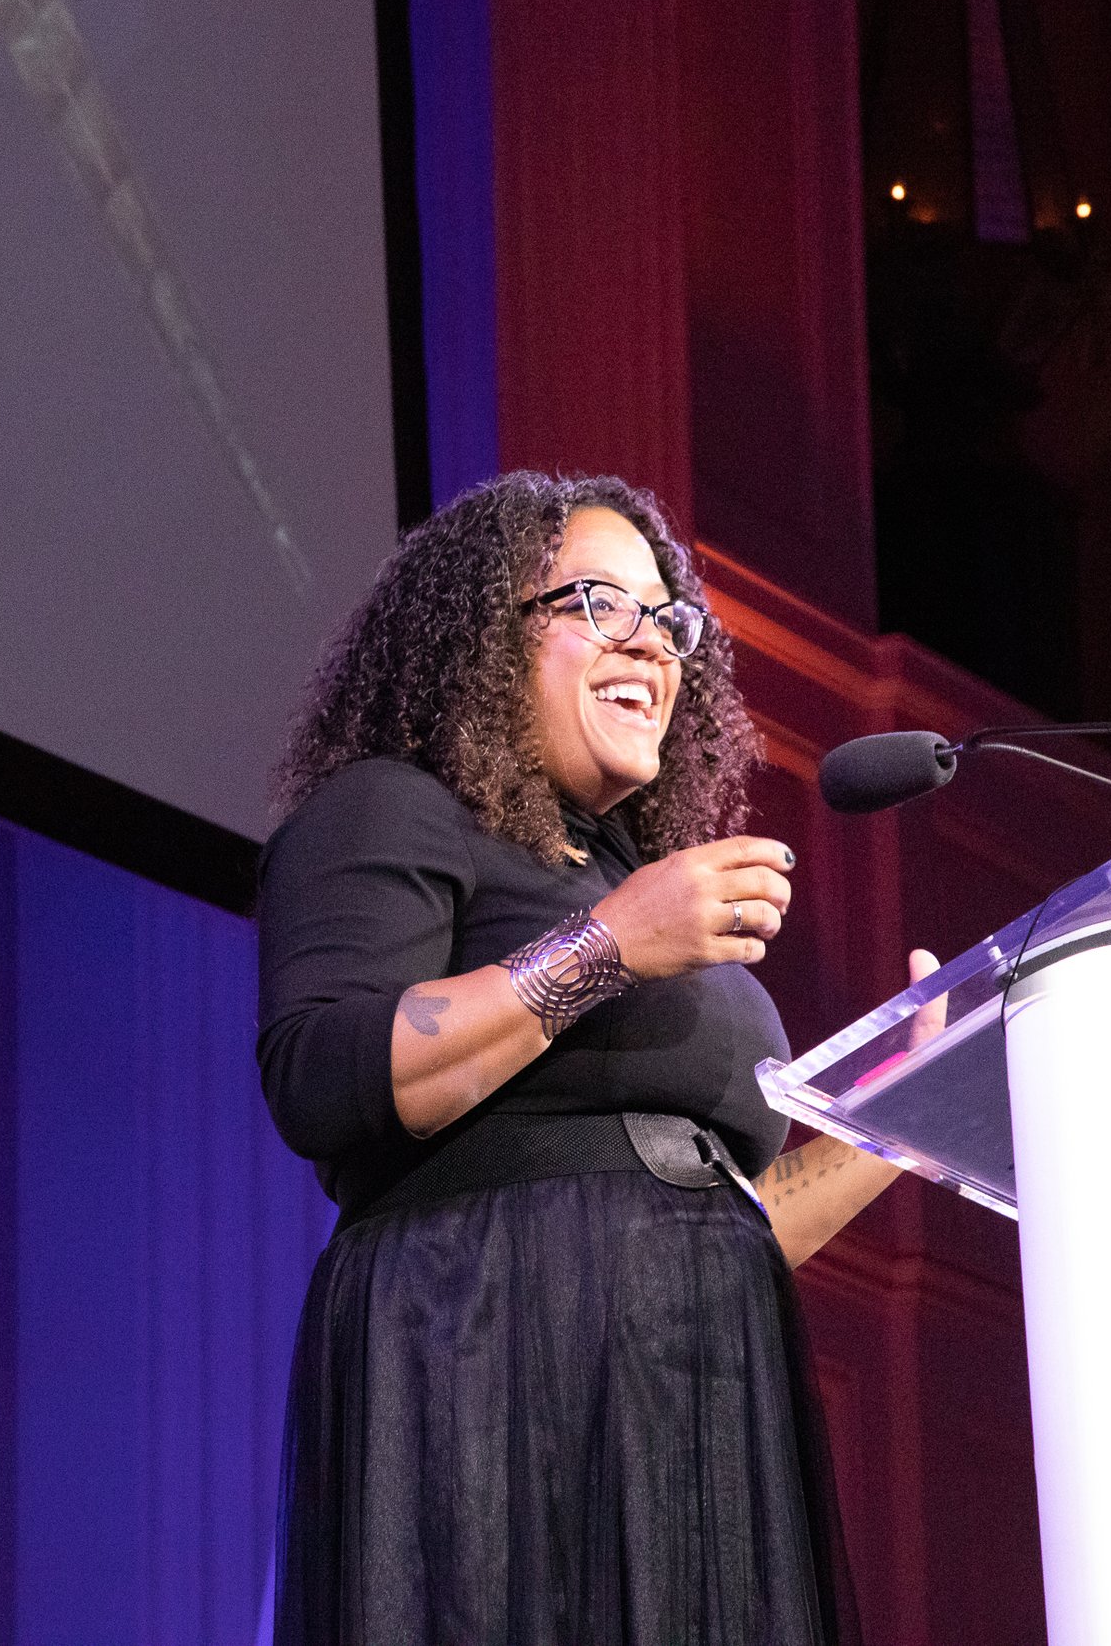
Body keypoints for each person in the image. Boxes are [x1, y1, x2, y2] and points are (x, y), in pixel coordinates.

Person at [257, 470, 925, 1645]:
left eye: (667, 620)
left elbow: (719, 1218)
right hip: (488, 1353)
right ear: (482, 634)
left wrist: (902, 1116)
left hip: (696, 1386)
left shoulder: (625, 884)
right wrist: (610, 945)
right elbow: (322, 1072)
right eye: (598, 603)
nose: (652, 643)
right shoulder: (392, 808)